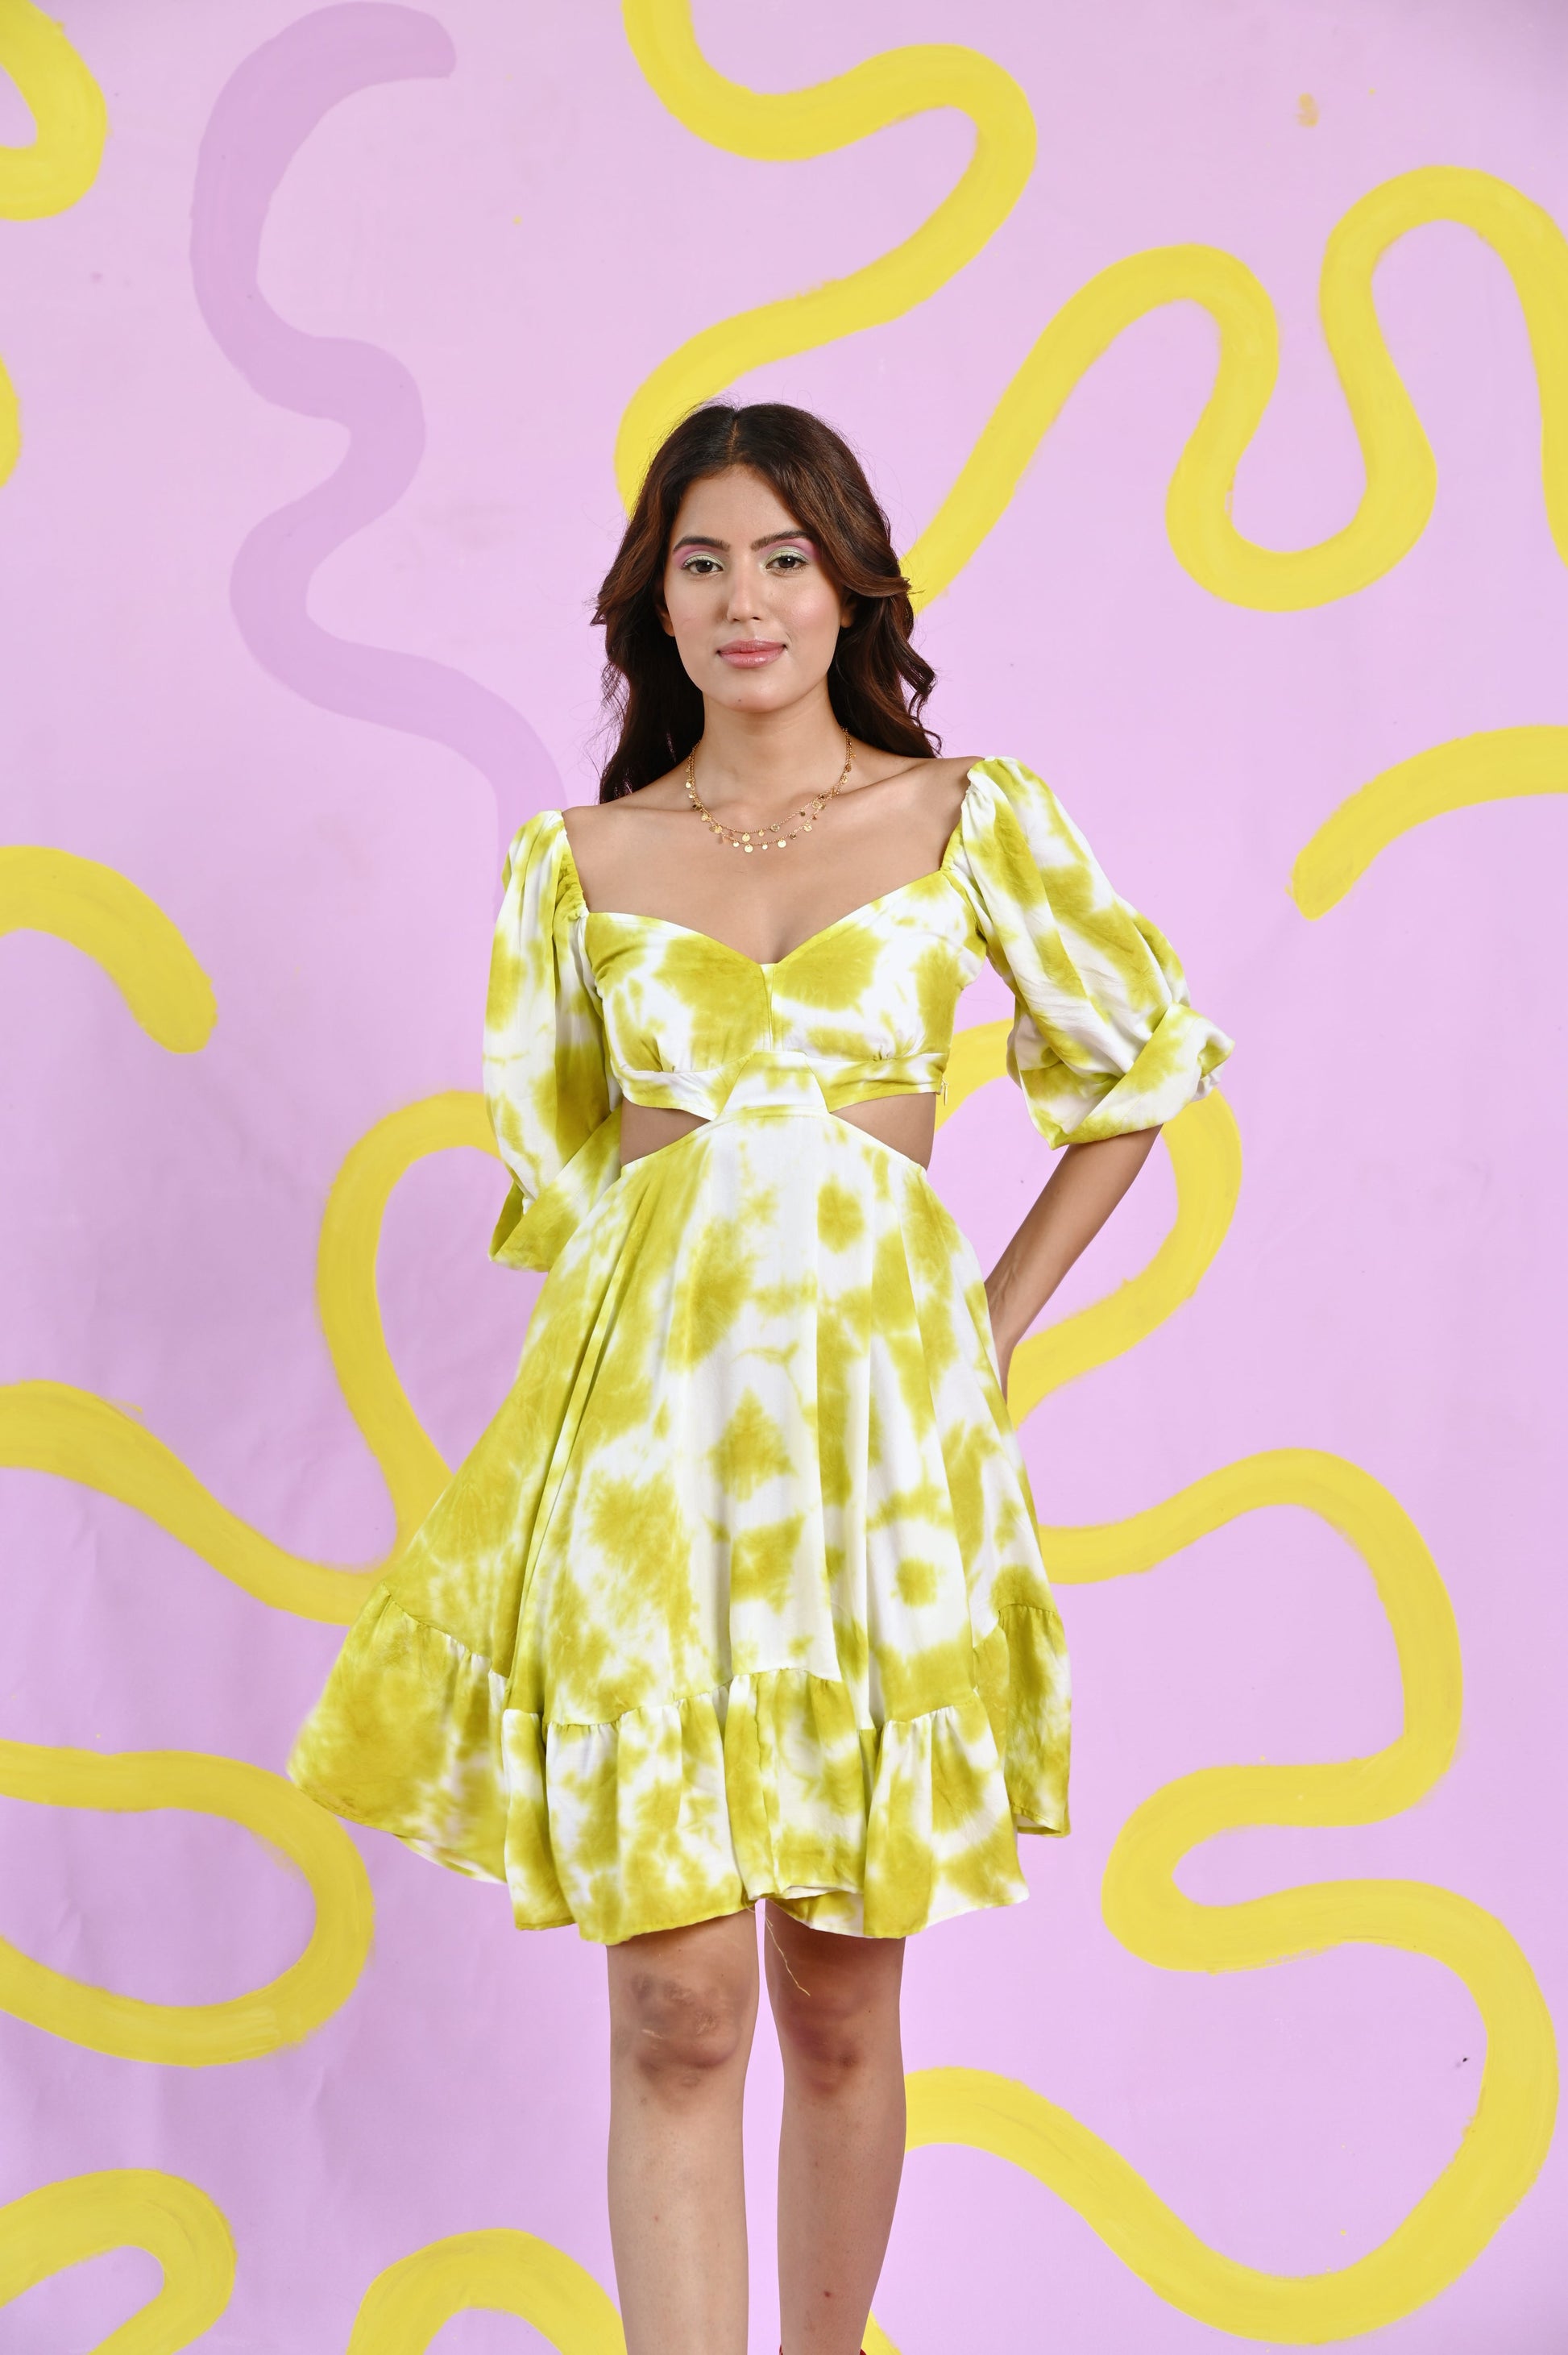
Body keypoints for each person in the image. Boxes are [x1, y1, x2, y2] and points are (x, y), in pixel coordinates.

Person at [289, 401, 1233, 2355]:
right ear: (653, 600)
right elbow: (580, 1194)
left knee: (837, 1997)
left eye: (785, 559)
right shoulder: (579, 862)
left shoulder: (967, 817)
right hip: (647, 1456)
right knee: (677, 2004)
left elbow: (1138, 1061)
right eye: (702, 561)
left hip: (879, 1457)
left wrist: (989, 1321)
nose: (745, 600)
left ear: (850, 586)